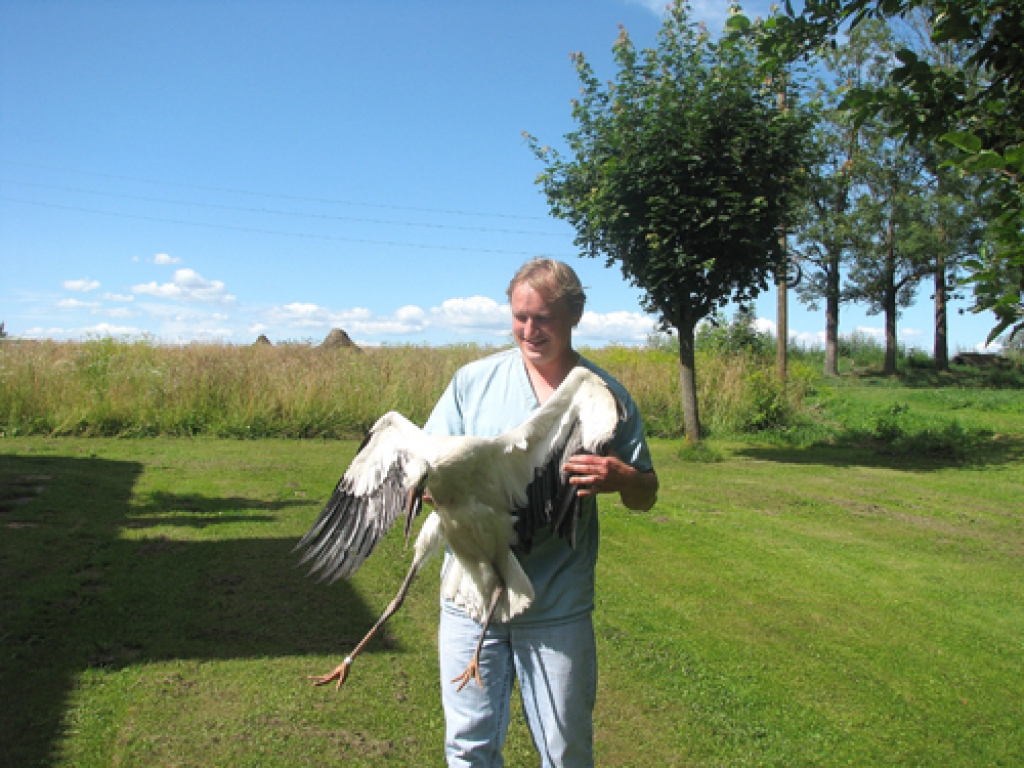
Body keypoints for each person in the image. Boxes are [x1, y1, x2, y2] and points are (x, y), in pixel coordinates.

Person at [423, 258, 658, 768]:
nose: (530, 330)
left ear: (574, 314)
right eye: (520, 316)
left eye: (544, 318)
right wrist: (428, 487)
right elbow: (429, 461)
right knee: (467, 747)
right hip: (470, 600)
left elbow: (647, 493)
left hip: (556, 604)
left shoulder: (607, 395)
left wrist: (622, 479)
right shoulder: (472, 383)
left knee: (565, 750)